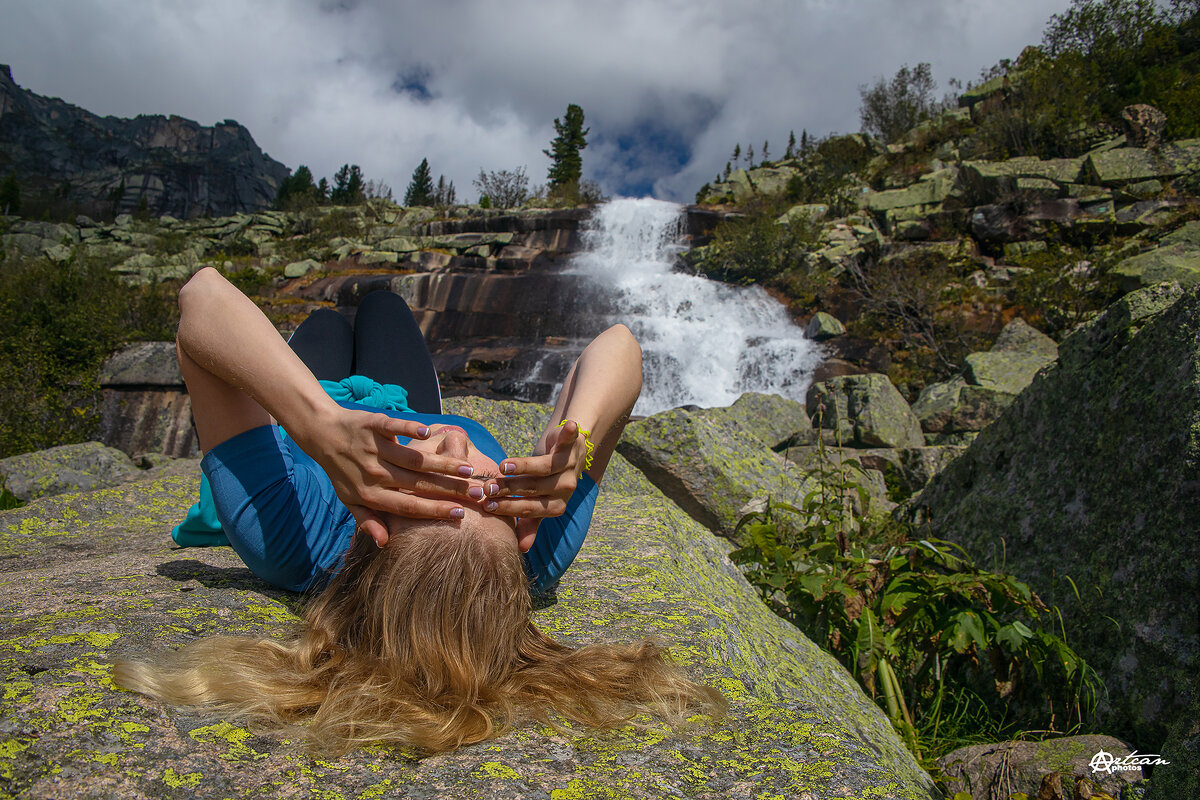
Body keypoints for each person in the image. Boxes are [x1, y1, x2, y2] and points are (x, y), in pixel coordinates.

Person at [114, 267, 722, 755]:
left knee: (326, 319)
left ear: (368, 538)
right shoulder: (537, 534)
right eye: (483, 495)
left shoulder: (287, 537)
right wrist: (579, 440)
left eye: (432, 491)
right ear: (515, 539)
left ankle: (324, 368)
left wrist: (320, 426)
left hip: (305, 399)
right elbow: (620, 346)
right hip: (408, 402)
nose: (458, 449)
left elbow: (201, 299)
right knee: (383, 304)